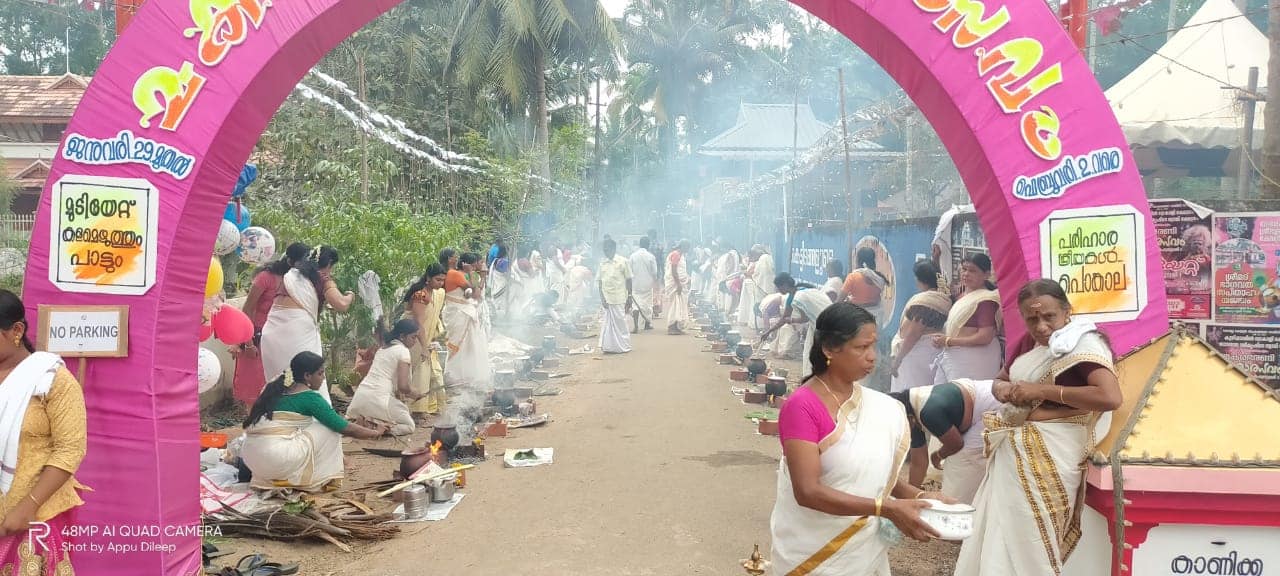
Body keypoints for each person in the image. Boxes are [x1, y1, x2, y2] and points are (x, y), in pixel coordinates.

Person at [954, 279, 1121, 576]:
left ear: (1067, 311)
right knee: (1000, 525)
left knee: (1031, 532)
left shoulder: (1084, 342)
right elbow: (1001, 378)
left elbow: (1109, 397)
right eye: (1032, 319)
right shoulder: (1027, 342)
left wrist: (1041, 391)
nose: (1041, 326)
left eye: (1049, 317)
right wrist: (1002, 389)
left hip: (1055, 451)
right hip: (1014, 445)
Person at [770, 303, 945, 575]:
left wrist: (924, 498)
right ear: (829, 349)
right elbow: (807, 491)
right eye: (861, 348)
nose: (872, 357)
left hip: (861, 553)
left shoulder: (877, 405)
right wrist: (887, 509)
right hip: (815, 552)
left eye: (873, 346)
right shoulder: (802, 406)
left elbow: (876, 475)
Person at [0, 289, 86, 574]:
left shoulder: (50, 379)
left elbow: (70, 449)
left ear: (16, 330)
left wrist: (28, 506)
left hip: (32, 516)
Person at [241, 352, 386, 494]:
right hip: (276, 460)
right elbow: (345, 428)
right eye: (321, 373)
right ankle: (314, 480)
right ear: (307, 376)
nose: (323, 378)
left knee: (307, 430)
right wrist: (376, 432)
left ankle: (273, 480)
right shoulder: (310, 398)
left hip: (251, 458)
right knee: (328, 428)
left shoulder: (272, 387)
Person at [260, 245, 355, 404]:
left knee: (279, 383)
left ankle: (280, 420)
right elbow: (341, 304)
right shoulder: (321, 277)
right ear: (329, 263)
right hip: (296, 332)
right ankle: (312, 422)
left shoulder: (293, 274)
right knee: (308, 376)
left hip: (272, 332)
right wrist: (351, 295)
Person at [889, 378, 1004, 505]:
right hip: (978, 408)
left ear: (907, 418)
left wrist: (938, 455)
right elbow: (919, 463)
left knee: (959, 467)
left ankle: (962, 510)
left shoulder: (928, 412)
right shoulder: (910, 410)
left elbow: (956, 444)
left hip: (994, 404)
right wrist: (910, 498)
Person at [234, 242, 309, 406]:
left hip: (282, 342)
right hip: (257, 340)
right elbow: (247, 309)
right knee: (255, 389)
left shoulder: (299, 281)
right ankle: (255, 428)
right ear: (290, 261)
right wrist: (248, 343)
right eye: (301, 262)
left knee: (281, 388)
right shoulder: (266, 277)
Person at [931, 253, 1001, 383]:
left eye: (972, 271)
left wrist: (948, 341)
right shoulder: (962, 295)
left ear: (986, 274)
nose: (966, 274)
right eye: (964, 269)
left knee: (968, 398)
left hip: (974, 359)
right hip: (956, 355)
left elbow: (985, 337)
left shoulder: (985, 300)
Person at [346, 319, 421, 436]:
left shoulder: (382, 350)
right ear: (402, 336)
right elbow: (403, 386)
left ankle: (367, 423)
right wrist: (415, 393)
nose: (415, 341)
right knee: (409, 426)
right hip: (379, 399)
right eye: (413, 337)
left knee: (397, 409)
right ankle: (378, 429)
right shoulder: (403, 351)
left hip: (360, 397)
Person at [890, 261, 952, 393]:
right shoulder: (944, 298)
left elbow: (913, 334)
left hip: (915, 358)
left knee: (911, 397)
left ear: (920, 279)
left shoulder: (925, 302)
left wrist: (897, 360)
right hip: (929, 355)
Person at [759, 273, 835, 379]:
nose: (777, 289)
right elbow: (785, 318)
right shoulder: (796, 293)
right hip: (825, 322)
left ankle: (815, 379)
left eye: (778, 286)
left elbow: (804, 319)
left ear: (785, 285)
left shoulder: (798, 297)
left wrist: (791, 320)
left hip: (822, 325)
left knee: (814, 354)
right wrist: (769, 331)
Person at [401, 264, 448, 416]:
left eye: (442, 280)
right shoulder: (420, 295)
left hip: (425, 337)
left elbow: (434, 316)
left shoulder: (438, 293)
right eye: (437, 279)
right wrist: (423, 347)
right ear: (428, 278)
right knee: (417, 373)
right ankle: (417, 411)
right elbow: (418, 324)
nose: (440, 283)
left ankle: (430, 407)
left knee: (434, 374)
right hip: (411, 337)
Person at [442, 268, 491, 389]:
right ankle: (460, 376)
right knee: (464, 345)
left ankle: (459, 375)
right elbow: (476, 294)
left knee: (465, 345)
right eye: (476, 263)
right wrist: (478, 276)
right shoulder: (455, 275)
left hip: (459, 312)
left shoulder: (448, 275)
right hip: (461, 313)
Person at [597, 238, 634, 353]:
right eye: (604, 250)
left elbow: (629, 280)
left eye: (607, 250)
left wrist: (629, 296)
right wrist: (602, 298)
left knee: (620, 323)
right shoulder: (602, 263)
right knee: (608, 324)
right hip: (607, 299)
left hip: (619, 297)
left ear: (613, 249)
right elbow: (600, 282)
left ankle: (624, 346)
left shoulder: (623, 262)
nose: (605, 252)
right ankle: (609, 347)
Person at [843, 247, 890, 326]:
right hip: (876, 319)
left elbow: (839, 300)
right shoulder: (879, 278)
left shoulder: (853, 277)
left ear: (858, 260)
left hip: (858, 319)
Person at [737, 245, 776, 331]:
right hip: (767, 285)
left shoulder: (763, 258)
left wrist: (753, 277)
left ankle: (761, 326)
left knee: (762, 307)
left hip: (761, 285)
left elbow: (758, 273)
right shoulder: (767, 258)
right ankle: (762, 326)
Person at [629, 236, 659, 331]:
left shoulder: (633, 256)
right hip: (647, 284)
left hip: (635, 283)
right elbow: (654, 272)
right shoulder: (651, 256)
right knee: (647, 305)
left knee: (635, 305)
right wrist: (655, 281)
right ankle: (647, 324)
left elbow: (629, 271)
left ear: (639, 244)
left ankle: (635, 326)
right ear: (648, 245)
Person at [664, 240, 692, 335]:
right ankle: (671, 327)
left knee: (679, 305)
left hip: (679, 282)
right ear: (683, 246)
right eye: (687, 247)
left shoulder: (680, 255)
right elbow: (674, 270)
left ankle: (676, 326)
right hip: (675, 283)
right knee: (675, 305)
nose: (688, 249)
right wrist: (678, 284)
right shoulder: (676, 254)